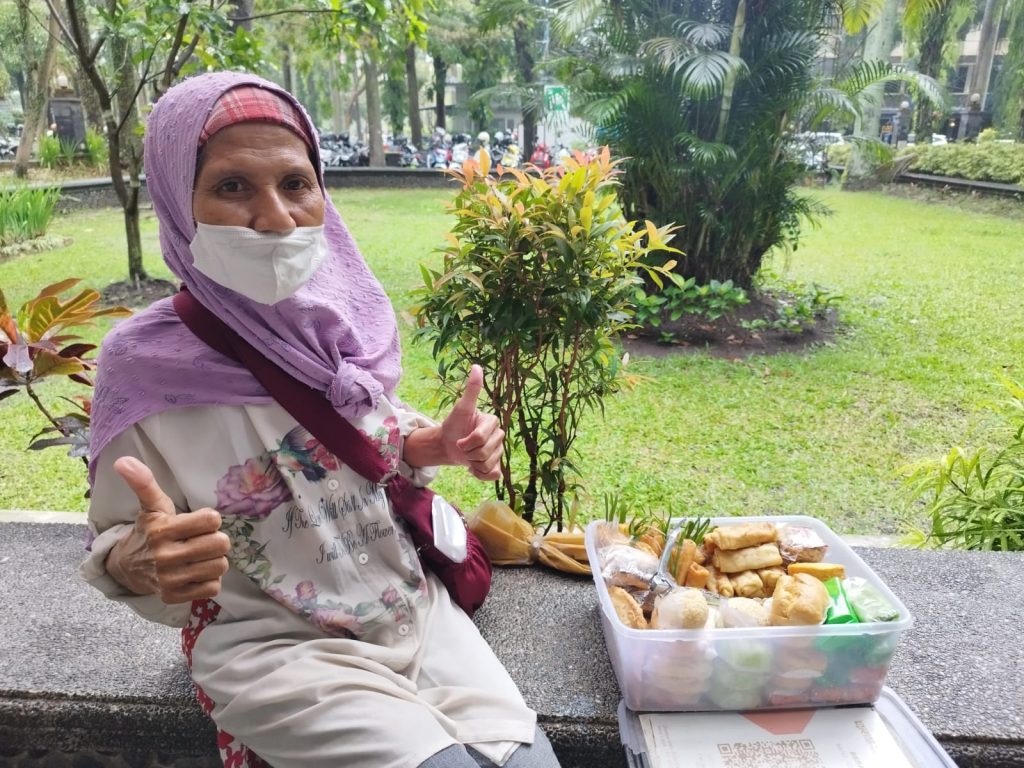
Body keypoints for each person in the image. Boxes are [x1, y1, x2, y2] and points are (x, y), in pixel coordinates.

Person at [80, 71, 560, 768]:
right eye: (232, 186)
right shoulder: (143, 367)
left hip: (414, 613)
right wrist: (139, 560)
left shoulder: (338, 322)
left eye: (295, 184)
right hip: (275, 647)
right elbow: (118, 537)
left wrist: (435, 444)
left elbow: (365, 439)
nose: (276, 217)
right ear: (178, 199)